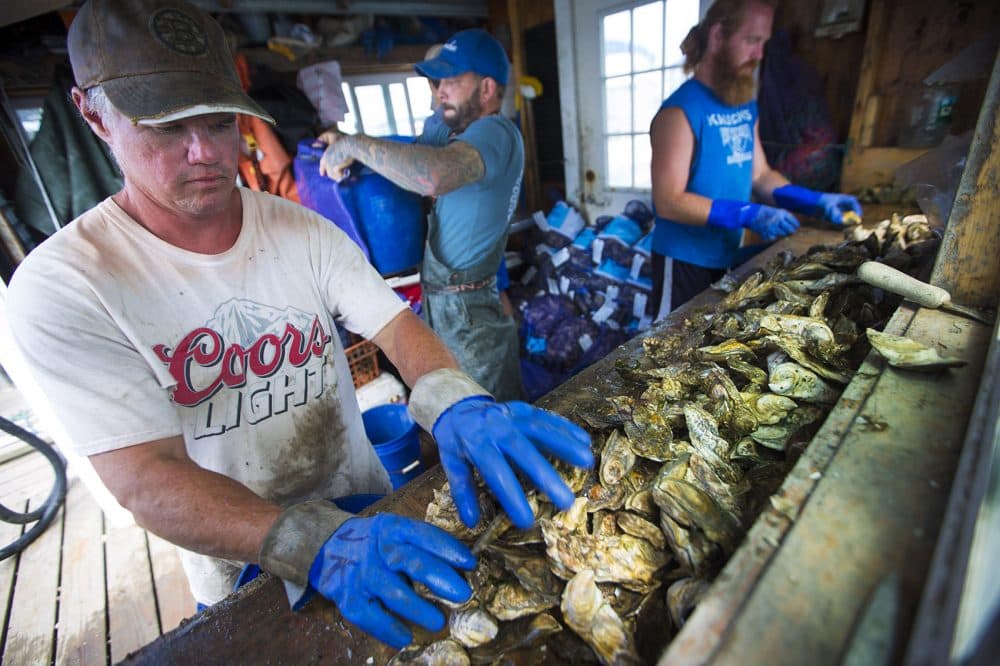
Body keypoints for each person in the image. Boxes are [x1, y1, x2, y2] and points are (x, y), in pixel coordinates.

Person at [1, 0, 593, 650]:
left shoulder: (301, 231)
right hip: (241, 556)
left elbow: (397, 327)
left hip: (366, 510)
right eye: (163, 125)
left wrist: (454, 401)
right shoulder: (64, 287)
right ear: (93, 114)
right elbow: (143, 476)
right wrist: (298, 538)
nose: (202, 151)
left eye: (221, 120)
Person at [317, 28, 526, 402]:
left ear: (487, 88)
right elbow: (408, 152)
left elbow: (431, 175)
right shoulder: (454, 134)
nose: (440, 90)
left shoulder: (495, 132)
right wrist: (342, 137)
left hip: (470, 312)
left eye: (452, 80)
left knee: (489, 414)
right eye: (437, 81)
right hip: (450, 303)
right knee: (460, 407)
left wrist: (354, 144)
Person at [648, 0, 862, 320]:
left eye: (764, 42)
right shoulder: (679, 112)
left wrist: (813, 201)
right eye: (752, 40)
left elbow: (760, 175)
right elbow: (669, 201)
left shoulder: (744, 106)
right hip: (682, 261)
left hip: (725, 253)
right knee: (665, 345)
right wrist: (746, 212)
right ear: (718, 35)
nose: (759, 54)